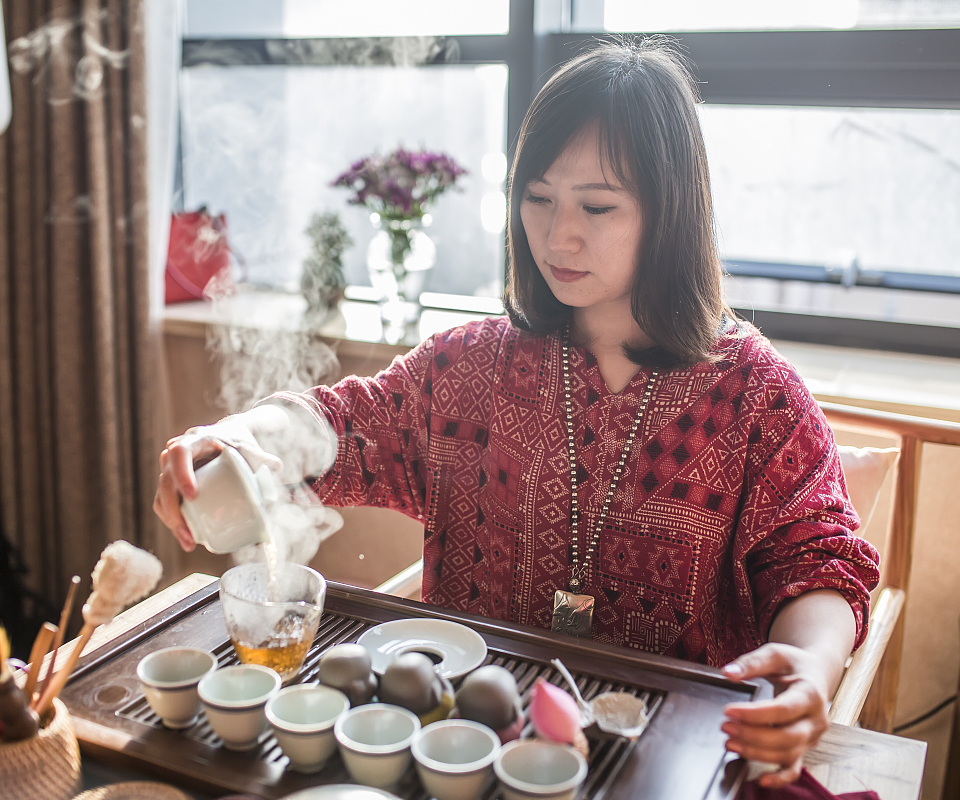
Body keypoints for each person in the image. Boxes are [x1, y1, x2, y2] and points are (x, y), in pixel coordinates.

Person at [154, 39, 879, 788]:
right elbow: (342, 425)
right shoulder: (469, 365)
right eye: (537, 198)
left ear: (671, 212)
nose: (558, 236)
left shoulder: (757, 395)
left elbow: (817, 559)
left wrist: (812, 665)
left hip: (669, 761)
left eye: (597, 205)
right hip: (466, 752)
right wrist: (232, 440)